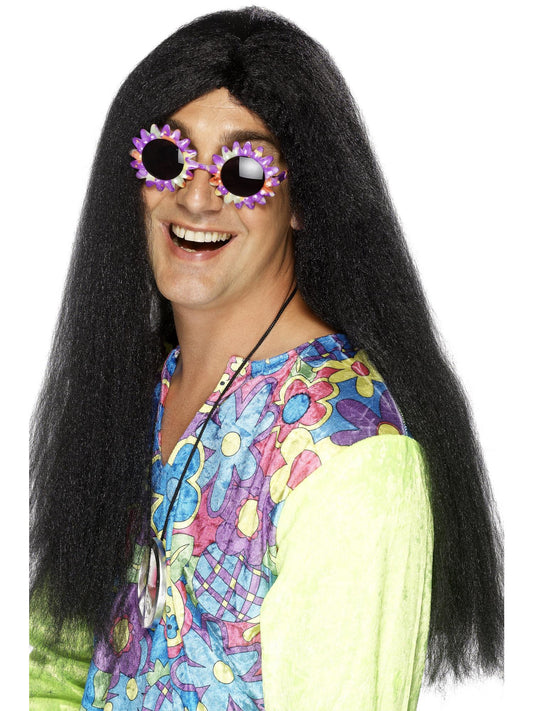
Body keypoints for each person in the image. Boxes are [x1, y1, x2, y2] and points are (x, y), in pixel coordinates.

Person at [29, 7, 503, 710]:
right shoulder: (134, 391)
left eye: (244, 170)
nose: (195, 197)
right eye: (167, 158)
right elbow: (53, 672)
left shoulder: (347, 457)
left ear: (305, 199)